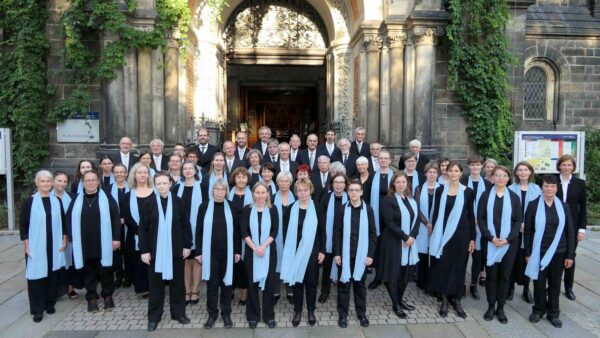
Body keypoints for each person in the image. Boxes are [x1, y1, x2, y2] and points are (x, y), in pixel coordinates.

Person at [139, 171, 192, 331]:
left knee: (178, 284)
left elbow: (185, 225)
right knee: (156, 286)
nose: (162, 186)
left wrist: (187, 245)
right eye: (158, 183)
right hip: (155, 251)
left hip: (176, 249)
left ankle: (178, 313)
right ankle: (154, 317)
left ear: (170, 184)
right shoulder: (148, 203)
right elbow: (143, 228)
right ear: (155, 185)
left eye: (164, 183)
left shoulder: (178, 201)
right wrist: (144, 250)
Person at [525, 175, 575, 328]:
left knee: (554, 284)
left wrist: (570, 255)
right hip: (538, 251)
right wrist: (528, 253)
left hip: (558, 252)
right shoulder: (533, 205)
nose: (549, 189)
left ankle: (553, 313)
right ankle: (538, 310)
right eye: (546, 186)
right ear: (542, 188)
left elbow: (570, 232)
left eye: (552, 186)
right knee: (539, 284)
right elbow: (527, 231)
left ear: (556, 188)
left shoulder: (563, 206)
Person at [66, 170, 121, 312]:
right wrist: (71, 239)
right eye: (87, 180)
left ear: (98, 181)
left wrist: (116, 238)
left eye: (93, 180)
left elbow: (116, 219)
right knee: (88, 271)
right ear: (83, 183)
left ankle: (108, 296)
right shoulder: (76, 200)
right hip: (84, 243)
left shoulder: (107, 198)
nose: (90, 182)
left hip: (104, 242)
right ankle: (91, 297)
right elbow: (68, 220)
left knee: (106, 271)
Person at [428, 161, 475, 318]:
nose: (454, 173)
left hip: (462, 234)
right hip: (443, 234)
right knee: (443, 266)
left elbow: (471, 216)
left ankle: (457, 299)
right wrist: (434, 233)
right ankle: (444, 300)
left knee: (459, 267)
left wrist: (472, 239)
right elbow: (435, 213)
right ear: (446, 173)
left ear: (461, 173)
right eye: (451, 170)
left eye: (456, 171)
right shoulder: (440, 190)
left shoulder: (468, 192)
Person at [21, 170, 68, 322]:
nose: (46, 183)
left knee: (52, 274)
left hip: (54, 244)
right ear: (37, 183)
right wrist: (27, 244)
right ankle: (37, 309)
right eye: (43, 181)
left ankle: (50, 303)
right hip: (36, 245)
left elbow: (63, 221)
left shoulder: (56, 201)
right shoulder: (29, 202)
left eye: (48, 181)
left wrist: (65, 238)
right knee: (37, 276)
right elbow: (23, 226)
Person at [478, 166, 521, 324]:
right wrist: (490, 237)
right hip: (491, 242)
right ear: (493, 177)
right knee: (491, 276)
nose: (501, 178)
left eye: (504, 175)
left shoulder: (514, 197)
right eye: (498, 175)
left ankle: (501, 308)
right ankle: (490, 306)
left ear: (508, 178)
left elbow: (517, 221)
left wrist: (508, 239)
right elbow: (481, 218)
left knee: (504, 276)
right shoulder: (485, 196)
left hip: (508, 244)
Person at [196, 178, 241, 329]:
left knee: (227, 285)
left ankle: (226, 314)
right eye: (217, 189)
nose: (219, 192)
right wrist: (198, 252)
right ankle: (212, 314)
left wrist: (237, 251)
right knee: (212, 285)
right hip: (210, 254)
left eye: (222, 189)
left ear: (226, 191)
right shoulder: (204, 207)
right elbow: (199, 231)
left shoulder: (233, 206)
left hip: (228, 253)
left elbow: (237, 232)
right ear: (212, 191)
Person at [380, 172, 426, 318]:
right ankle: (396, 304)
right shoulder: (388, 200)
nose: (401, 184)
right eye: (398, 182)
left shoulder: (411, 199)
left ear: (407, 183)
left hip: (410, 242)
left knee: (406, 274)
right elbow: (389, 222)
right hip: (393, 241)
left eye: (403, 182)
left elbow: (417, 219)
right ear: (393, 184)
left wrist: (412, 236)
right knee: (394, 274)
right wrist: (405, 237)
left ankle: (399, 300)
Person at [281, 178, 325, 327]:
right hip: (295, 251)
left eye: (305, 190)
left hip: (313, 251)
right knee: (297, 283)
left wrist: (322, 251)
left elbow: (323, 231)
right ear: (296, 192)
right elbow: (286, 232)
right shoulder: (291, 208)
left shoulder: (318, 208)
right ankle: (298, 311)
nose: (303, 193)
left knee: (311, 283)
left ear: (310, 190)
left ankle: (311, 311)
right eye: (300, 190)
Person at [333, 179, 376, 328]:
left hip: (362, 254)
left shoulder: (368, 210)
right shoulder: (342, 209)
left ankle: (361, 313)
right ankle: (343, 315)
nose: (354, 193)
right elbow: (337, 233)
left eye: (357, 190)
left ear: (362, 192)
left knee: (360, 285)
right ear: (348, 192)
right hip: (345, 254)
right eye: (351, 190)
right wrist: (337, 253)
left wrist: (370, 255)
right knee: (344, 285)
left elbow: (372, 234)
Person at [241, 182, 279, 329]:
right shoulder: (247, 209)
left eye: (263, 192)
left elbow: (275, 231)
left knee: (269, 285)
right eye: (258, 192)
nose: (260, 195)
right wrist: (255, 247)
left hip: (269, 251)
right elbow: (244, 232)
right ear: (253, 194)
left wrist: (263, 246)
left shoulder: (273, 209)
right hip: (252, 252)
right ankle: (253, 316)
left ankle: (269, 316)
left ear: (267, 194)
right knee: (252, 285)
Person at [507, 161, 542, 303]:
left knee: (528, 259)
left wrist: (527, 225)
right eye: (520, 170)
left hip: (530, 231)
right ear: (516, 173)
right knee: (512, 260)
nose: (522, 172)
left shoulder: (537, 189)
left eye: (525, 170)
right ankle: (510, 288)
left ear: (530, 172)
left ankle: (526, 289)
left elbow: (539, 211)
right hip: (512, 230)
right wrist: (516, 225)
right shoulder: (509, 189)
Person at [460, 155, 493, 299]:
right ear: (469, 166)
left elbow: (489, 206)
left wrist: (480, 219)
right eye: (472, 165)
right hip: (465, 225)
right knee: (462, 257)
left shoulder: (488, 185)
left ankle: (473, 285)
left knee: (478, 258)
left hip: (481, 226)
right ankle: (461, 285)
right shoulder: (462, 181)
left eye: (478, 164)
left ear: (482, 167)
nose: (475, 167)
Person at [556, 154, 587, 301]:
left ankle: (568, 287)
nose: (566, 167)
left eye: (569, 165)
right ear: (559, 166)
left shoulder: (579, 183)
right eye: (563, 164)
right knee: (553, 257)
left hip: (572, 226)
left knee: (570, 256)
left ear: (573, 167)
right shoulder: (552, 181)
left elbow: (583, 208)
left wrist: (582, 229)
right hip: (554, 225)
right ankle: (552, 285)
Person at [121, 162, 154, 298]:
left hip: (154, 233)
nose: (142, 175)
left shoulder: (156, 193)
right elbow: (127, 216)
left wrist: (149, 230)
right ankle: (143, 288)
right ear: (134, 175)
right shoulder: (128, 196)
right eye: (139, 172)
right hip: (134, 234)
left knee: (153, 262)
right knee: (138, 263)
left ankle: (154, 287)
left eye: (145, 172)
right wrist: (140, 230)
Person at [176, 161, 203, 305]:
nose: (187, 171)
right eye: (185, 168)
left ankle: (196, 290)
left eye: (190, 168)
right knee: (186, 260)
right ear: (181, 172)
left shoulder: (203, 188)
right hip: (181, 230)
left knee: (197, 259)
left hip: (198, 229)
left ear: (195, 171)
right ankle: (187, 290)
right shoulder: (176, 188)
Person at [319, 173, 349, 304]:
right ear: (332, 184)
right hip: (328, 239)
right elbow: (320, 218)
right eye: (336, 182)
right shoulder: (326, 198)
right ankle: (325, 292)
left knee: (344, 267)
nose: (338, 184)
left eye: (341, 182)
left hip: (345, 239)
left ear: (345, 184)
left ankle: (343, 294)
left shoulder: (350, 198)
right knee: (326, 268)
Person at [51, 171, 82, 299]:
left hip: (69, 234)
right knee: (54, 261)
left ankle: (70, 287)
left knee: (69, 261)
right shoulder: (46, 197)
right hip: (53, 234)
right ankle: (55, 289)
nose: (62, 184)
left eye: (64, 181)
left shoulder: (71, 197)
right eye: (59, 181)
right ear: (53, 181)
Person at [367, 150, 393, 290]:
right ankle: (378, 277)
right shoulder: (372, 176)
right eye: (380, 158)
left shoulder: (395, 176)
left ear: (390, 160)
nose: (383, 160)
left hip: (390, 218)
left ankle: (388, 277)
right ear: (377, 161)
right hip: (376, 217)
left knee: (389, 247)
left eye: (385, 158)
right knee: (377, 247)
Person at [228, 167, 253, 306]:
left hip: (246, 234)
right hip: (230, 233)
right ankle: (230, 289)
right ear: (234, 179)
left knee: (244, 265)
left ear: (247, 179)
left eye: (244, 177)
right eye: (238, 177)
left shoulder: (252, 195)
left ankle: (245, 292)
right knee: (231, 263)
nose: (241, 180)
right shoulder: (228, 193)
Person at [414, 163, 439, 290]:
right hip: (423, 226)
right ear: (425, 174)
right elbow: (416, 209)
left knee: (434, 253)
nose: (432, 174)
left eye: (435, 172)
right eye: (430, 172)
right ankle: (421, 280)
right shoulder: (419, 188)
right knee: (423, 254)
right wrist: (427, 224)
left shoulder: (442, 189)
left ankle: (434, 280)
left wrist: (434, 224)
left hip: (437, 226)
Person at [273, 172, 296, 304]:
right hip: (276, 237)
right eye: (281, 181)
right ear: (277, 183)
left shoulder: (297, 198)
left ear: (290, 183)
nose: (283, 183)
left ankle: (290, 291)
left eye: (286, 181)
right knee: (276, 262)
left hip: (292, 236)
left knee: (290, 263)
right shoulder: (271, 198)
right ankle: (275, 291)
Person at [108, 164, 130, 288]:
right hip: (113, 226)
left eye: (122, 172)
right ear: (113, 174)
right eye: (117, 172)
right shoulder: (107, 190)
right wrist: (117, 219)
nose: (119, 174)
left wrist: (124, 218)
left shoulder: (132, 188)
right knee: (116, 252)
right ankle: (119, 275)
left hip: (128, 225)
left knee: (128, 252)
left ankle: (128, 276)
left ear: (126, 173)